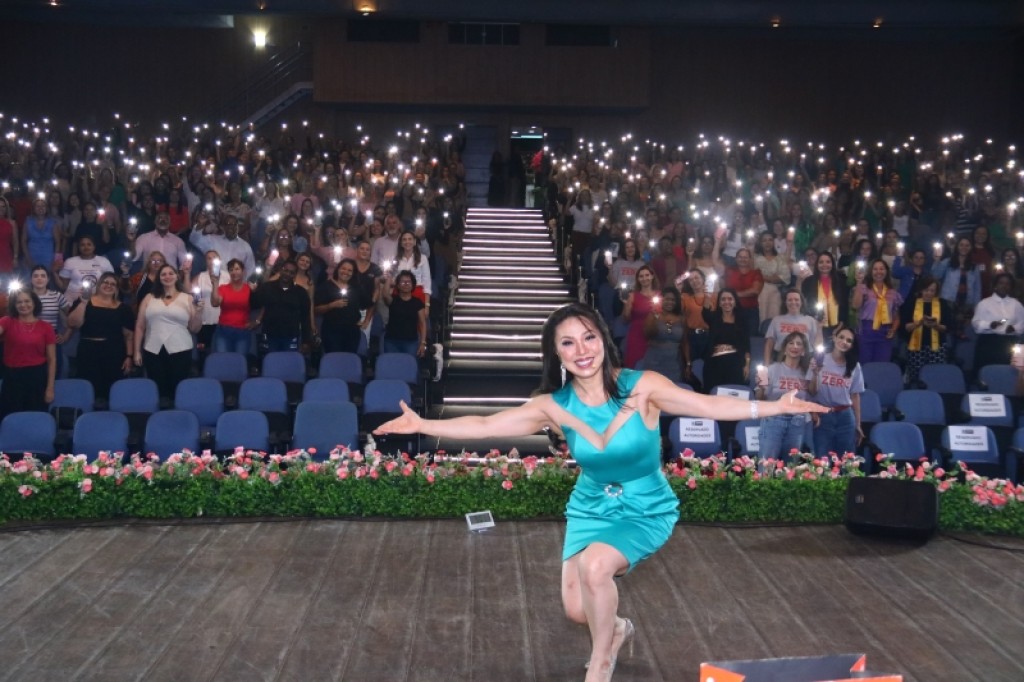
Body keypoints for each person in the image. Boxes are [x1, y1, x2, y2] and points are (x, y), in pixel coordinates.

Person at [373, 302, 825, 681]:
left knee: (595, 568)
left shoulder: (643, 387)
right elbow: (485, 424)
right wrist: (422, 423)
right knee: (577, 609)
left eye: (588, 337)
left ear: (603, 340)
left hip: (645, 506)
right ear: (556, 353)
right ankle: (618, 629)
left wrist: (773, 406)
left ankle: (601, 661)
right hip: (590, 505)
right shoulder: (553, 406)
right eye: (568, 343)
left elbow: (710, 405)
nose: (582, 350)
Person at [133, 264, 203, 401]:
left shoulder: (188, 298)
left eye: (171, 273)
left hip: (181, 349)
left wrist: (199, 312)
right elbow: (140, 326)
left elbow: (195, 329)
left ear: (177, 276)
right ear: (159, 278)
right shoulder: (149, 298)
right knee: (158, 391)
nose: (167, 276)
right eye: (163, 274)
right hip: (153, 349)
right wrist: (136, 351)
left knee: (178, 391)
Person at [67, 272, 135, 401]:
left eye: (113, 284)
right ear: (99, 284)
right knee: (88, 389)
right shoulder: (84, 301)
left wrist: (129, 356)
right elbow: (72, 323)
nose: (108, 286)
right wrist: (83, 303)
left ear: (117, 288)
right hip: (88, 351)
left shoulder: (124, 308)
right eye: (105, 282)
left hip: (114, 354)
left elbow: (129, 335)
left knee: (112, 390)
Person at [807, 325, 865, 457]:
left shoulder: (854, 365)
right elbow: (811, 392)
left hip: (845, 416)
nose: (844, 342)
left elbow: (855, 396)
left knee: (846, 460)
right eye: (841, 337)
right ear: (834, 338)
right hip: (823, 415)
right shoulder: (819, 360)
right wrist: (815, 373)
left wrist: (858, 424)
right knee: (822, 459)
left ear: (852, 345)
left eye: (849, 341)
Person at [755, 332, 812, 459]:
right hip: (773, 420)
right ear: (784, 349)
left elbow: (811, 396)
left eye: (799, 344)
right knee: (767, 464)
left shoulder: (807, 373)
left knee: (791, 466)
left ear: (803, 351)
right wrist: (761, 387)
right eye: (791, 343)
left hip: (797, 423)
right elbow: (759, 398)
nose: (795, 346)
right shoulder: (771, 369)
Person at [0, 289, 57, 417]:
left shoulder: (46, 327)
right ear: (14, 305)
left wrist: (50, 388)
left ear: (34, 303)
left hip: (36, 378)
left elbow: (52, 359)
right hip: (12, 378)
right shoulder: (7, 321)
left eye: (27, 301)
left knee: (35, 417)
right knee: (10, 417)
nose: (23, 305)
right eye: (19, 302)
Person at [251, 259, 313, 354]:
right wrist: (254, 292)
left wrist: (306, 341)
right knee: (269, 361)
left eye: (291, 273)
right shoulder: (267, 287)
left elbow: (305, 318)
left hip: (291, 335)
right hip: (270, 334)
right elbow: (255, 304)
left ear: (295, 275)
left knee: (289, 362)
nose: (287, 274)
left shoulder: (301, 293)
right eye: (286, 270)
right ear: (280, 270)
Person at [900, 276, 951, 384]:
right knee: (916, 376)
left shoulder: (942, 304)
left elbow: (948, 327)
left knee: (935, 376)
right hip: (916, 347)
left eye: (932, 291)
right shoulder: (911, 303)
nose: (929, 293)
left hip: (937, 347)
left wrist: (935, 325)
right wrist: (919, 323)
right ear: (921, 289)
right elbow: (905, 327)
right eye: (926, 290)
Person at [315, 258, 372, 354]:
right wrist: (331, 305)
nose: (346, 272)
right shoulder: (326, 286)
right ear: (338, 269)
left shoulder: (356, 288)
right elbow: (316, 310)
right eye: (343, 268)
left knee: (349, 359)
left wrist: (366, 320)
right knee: (334, 358)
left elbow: (370, 304)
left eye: (350, 270)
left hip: (352, 332)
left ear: (353, 273)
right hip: (331, 331)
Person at [851, 259, 902, 362]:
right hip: (866, 331)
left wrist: (893, 330)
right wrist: (859, 282)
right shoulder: (864, 288)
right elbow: (855, 306)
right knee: (864, 364)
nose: (878, 272)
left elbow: (896, 317)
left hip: (885, 333)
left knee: (881, 365)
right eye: (875, 269)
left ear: (886, 271)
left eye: (881, 269)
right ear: (870, 271)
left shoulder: (893, 293)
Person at [971, 272, 1024, 370]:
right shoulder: (984, 303)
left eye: (1007, 284)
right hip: (989, 342)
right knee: (989, 371)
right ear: (995, 285)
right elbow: (976, 324)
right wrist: (989, 325)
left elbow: (1022, 322)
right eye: (1001, 283)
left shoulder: (1016, 304)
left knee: (1009, 372)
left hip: (1010, 342)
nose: (1004, 286)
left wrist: (1014, 328)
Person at [700, 288, 749, 392]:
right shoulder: (714, 317)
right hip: (714, 365)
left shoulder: (742, 320)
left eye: (730, 299)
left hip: (735, 364)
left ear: (735, 302)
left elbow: (746, 345)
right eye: (723, 299)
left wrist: (747, 365)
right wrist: (707, 296)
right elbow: (705, 312)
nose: (727, 302)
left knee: (732, 394)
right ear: (719, 303)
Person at [209, 259, 259, 355]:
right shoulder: (223, 288)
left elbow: (262, 305)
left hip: (243, 330)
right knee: (223, 359)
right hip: (224, 330)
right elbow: (215, 303)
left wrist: (256, 321)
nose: (234, 272)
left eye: (237, 269)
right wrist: (215, 284)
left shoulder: (249, 289)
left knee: (240, 360)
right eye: (231, 270)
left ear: (243, 271)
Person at [763, 290, 822, 365]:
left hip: (804, 359)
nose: (793, 302)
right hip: (781, 358)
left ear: (801, 302)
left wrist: (819, 328)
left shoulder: (811, 320)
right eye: (790, 300)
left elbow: (817, 344)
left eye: (796, 300)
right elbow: (769, 344)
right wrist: (766, 364)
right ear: (785, 303)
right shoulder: (776, 320)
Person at [801, 251, 847, 343]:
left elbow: (844, 304)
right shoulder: (808, 281)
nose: (824, 265)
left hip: (837, 327)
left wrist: (839, 327)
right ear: (817, 264)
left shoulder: (841, 281)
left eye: (828, 262)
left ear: (832, 264)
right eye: (821, 262)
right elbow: (805, 303)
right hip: (815, 324)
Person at [640, 287, 685, 381]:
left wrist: (688, 363)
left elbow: (685, 342)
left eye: (673, 300)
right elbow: (648, 333)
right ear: (661, 300)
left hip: (674, 363)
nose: (670, 302)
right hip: (654, 361)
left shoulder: (681, 318)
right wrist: (654, 315)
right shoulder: (653, 315)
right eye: (667, 299)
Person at [381, 270, 427, 357]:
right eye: (402, 282)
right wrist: (389, 278)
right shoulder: (393, 300)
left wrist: (423, 342)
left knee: (409, 364)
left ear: (413, 285)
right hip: (391, 341)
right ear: (398, 285)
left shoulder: (417, 302)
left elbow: (422, 323)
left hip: (411, 342)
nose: (406, 284)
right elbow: (385, 295)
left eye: (408, 282)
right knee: (391, 364)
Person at [621, 265, 659, 369]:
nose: (644, 278)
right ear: (638, 279)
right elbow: (625, 319)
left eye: (647, 275)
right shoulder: (633, 296)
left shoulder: (660, 295)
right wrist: (626, 304)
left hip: (655, 335)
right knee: (635, 365)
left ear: (652, 276)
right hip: (637, 335)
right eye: (641, 276)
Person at [58, 235, 114, 303]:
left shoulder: (103, 261)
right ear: (79, 247)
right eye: (82, 245)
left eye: (89, 244)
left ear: (94, 247)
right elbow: (63, 286)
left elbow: (112, 281)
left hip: (97, 298)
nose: (86, 247)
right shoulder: (70, 261)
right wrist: (53, 272)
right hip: (73, 298)